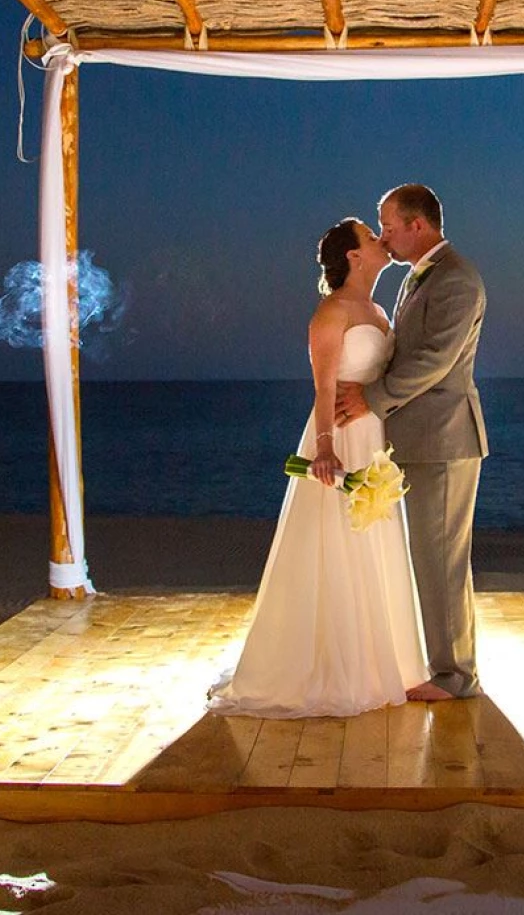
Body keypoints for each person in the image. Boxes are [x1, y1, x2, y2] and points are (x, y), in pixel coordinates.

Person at [207, 218, 430, 717]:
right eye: (371, 238)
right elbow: (324, 387)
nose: (380, 240)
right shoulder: (330, 313)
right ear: (353, 256)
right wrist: (325, 448)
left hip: (374, 437)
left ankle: (382, 661)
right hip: (342, 434)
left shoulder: (375, 309)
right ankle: (335, 666)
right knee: (337, 540)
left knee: (375, 539)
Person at [337, 184, 487, 700]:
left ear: (417, 225)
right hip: (417, 439)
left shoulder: (458, 280)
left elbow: (435, 361)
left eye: (389, 226)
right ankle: (437, 664)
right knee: (425, 556)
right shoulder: (418, 279)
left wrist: (371, 399)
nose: (383, 236)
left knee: (441, 558)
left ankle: (456, 676)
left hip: (444, 439)